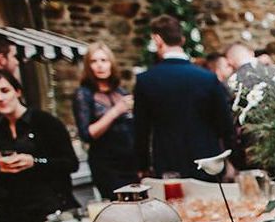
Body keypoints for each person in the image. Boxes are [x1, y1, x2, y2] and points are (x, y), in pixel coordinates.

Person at [134, 15, 232, 179]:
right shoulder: (207, 78)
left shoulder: (146, 81)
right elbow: (225, 125)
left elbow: (141, 130)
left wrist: (142, 166)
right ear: (183, 39)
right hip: (208, 162)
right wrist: (229, 159)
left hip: (169, 164)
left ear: (157, 39)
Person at [0, 69, 78, 222]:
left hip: (51, 212)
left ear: (17, 91)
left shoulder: (44, 122)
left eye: (4, 90)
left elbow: (70, 163)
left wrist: (35, 161)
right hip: (14, 218)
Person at [73, 43, 137, 199]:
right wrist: (115, 111)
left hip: (130, 162)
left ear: (111, 63)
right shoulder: (84, 94)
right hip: (107, 164)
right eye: (94, 61)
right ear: (88, 66)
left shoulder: (120, 92)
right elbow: (87, 134)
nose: (100, 65)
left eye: (104, 60)